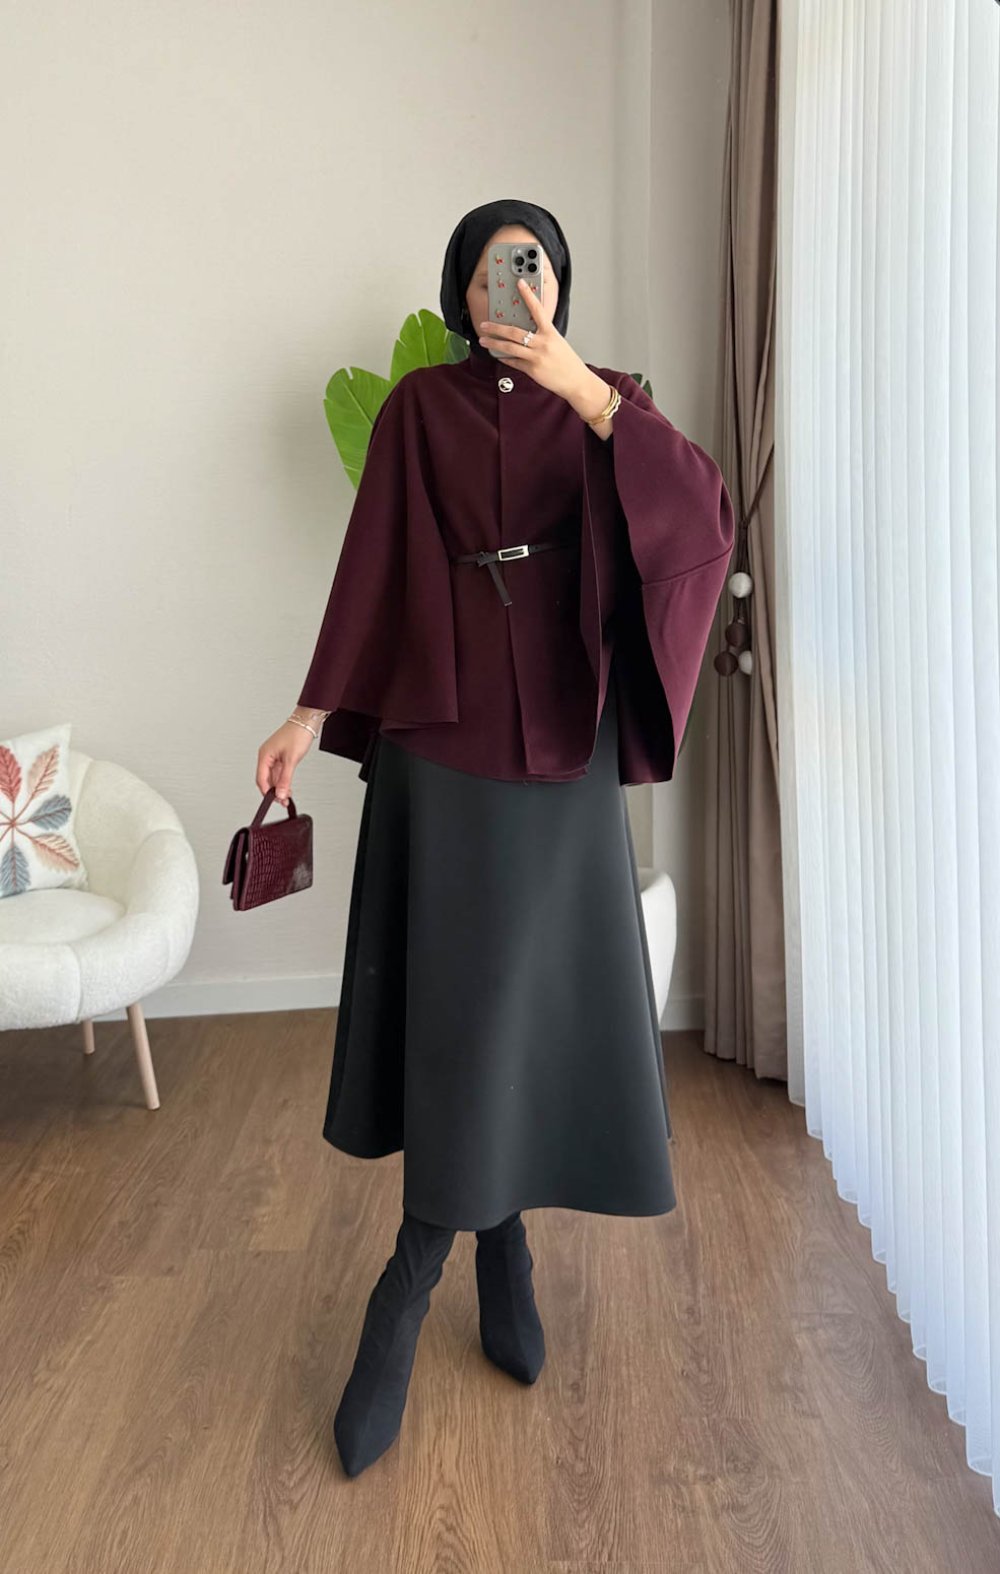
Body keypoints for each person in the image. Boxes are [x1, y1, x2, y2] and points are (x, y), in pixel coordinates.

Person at [256, 199, 735, 1478]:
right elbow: (370, 560)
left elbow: (699, 520)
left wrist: (587, 394)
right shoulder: (418, 409)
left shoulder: (610, 399)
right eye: (484, 273)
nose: (506, 290)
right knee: (460, 1006)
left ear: (558, 283)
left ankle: (464, 1257)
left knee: (523, 1004)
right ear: (457, 292)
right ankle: (438, 1273)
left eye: (528, 269)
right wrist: (311, 709)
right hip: (441, 733)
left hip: (565, 742)